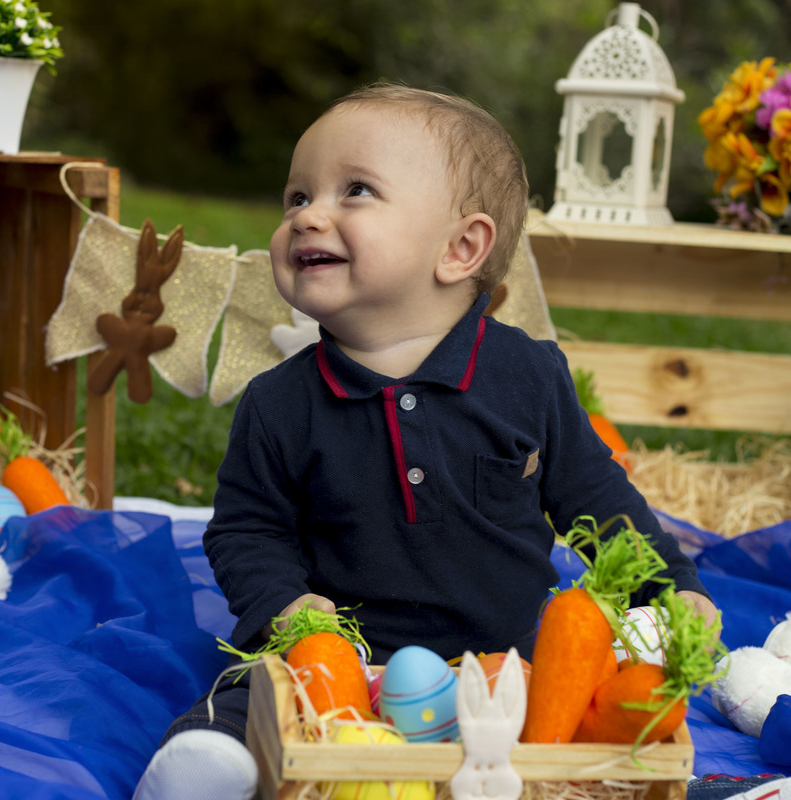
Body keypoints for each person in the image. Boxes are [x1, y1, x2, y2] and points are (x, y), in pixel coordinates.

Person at [134, 82, 717, 800]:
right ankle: (207, 774)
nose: (307, 215)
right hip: (336, 658)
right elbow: (246, 531)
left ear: (460, 248)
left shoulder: (527, 378)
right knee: (246, 702)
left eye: (354, 191)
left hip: (500, 670)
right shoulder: (279, 402)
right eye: (296, 196)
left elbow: (598, 503)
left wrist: (671, 590)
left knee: (600, 716)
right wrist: (287, 607)